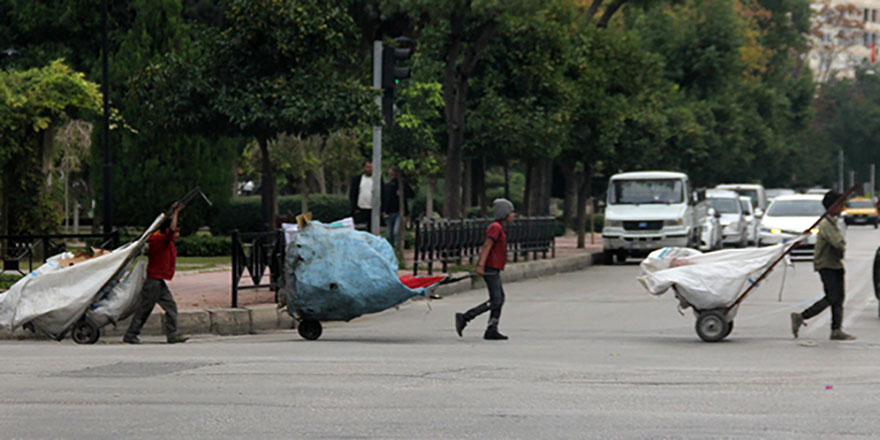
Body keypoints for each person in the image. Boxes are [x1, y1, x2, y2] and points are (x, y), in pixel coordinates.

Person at [790, 191, 855, 341]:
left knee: (839, 298)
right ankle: (801, 316)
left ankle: (836, 330)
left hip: (835, 264)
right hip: (827, 265)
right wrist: (841, 245)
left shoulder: (833, 221)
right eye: (840, 204)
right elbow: (837, 243)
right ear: (832, 206)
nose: (842, 207)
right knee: (832, 297)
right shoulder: (826, 224)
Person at [123, 203, 189, 344]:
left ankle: (172, 333)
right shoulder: (159, 240)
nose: (177, 234)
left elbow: (169, 228)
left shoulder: (163, 240)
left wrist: (172, 211)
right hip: (154, 281)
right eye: (176, 231)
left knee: (170, 307)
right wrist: (176, 213)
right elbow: (170, 230)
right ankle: (131, 334)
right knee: (145, 309)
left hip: (158, 280)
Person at [455, 199, 515, 340]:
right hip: (490, 267)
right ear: (504, 213)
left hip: (495, 267)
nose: (513, 215)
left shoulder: (499, 227)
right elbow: (487, 245)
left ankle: (492, 328)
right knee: (496, 300)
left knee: (499, 298)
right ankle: (466, 317)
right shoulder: (495, 227)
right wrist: (480, 265)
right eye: (511, 212)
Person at [381, 168, 414, 247]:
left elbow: (412, 194)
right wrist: (383, 210)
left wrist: (403, 193)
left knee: (396, 231)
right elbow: (384, 198)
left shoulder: (403, 185)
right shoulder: (387, 186)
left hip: (399, 211)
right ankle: (391, 247)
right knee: (389, 233)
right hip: (389, 212)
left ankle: (397, 247)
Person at [349, 160, 380, 230]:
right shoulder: (357, 179)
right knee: (360, 229)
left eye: (371, 167)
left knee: (372, 229)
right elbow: (353, 194)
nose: (369, 169)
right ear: (364, 168)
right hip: (360, 209)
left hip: (373, 210)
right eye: (368, 167)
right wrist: (355, 208)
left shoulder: (377, 179)